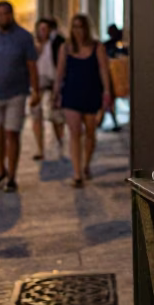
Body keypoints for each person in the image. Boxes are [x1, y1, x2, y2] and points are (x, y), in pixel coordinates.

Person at [0, 1, 39, 192]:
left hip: (17, 91)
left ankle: (12, 174)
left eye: (7, 13)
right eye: (0, 14)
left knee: (12, 132)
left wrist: (35, 90)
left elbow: (31, 65)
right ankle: (1, 168)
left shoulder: (24, 37)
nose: (3, 17)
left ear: (12, 14)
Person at [54, 13, 112, 188]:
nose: (78, 30)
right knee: (74, 132)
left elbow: (104, 70)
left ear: (87, 28)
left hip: (91, 93)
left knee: (90, 134)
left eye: (81, 26)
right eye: (75, 27)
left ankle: (86, 164)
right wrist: (56, 94)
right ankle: (77, 173)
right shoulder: (65, 48)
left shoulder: (97, 47)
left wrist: (107, 92)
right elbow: (60, 73)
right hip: (71, 94)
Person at [30, 18, 65, 159]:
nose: (42, 31)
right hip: (37, 83)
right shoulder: (34, 45)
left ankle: (60, 143)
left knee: (56, 116)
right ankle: (40, 148)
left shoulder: (56, 43)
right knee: (36, 115)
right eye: (40, 28)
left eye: (45, 28)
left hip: (53, 82)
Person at [100, 23, 128, 132]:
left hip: (117, 76)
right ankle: (106, 120)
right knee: (109, 100)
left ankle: (107, 120)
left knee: (110, 100)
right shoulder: (106, 45)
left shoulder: (119, 45)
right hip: (110, 75)